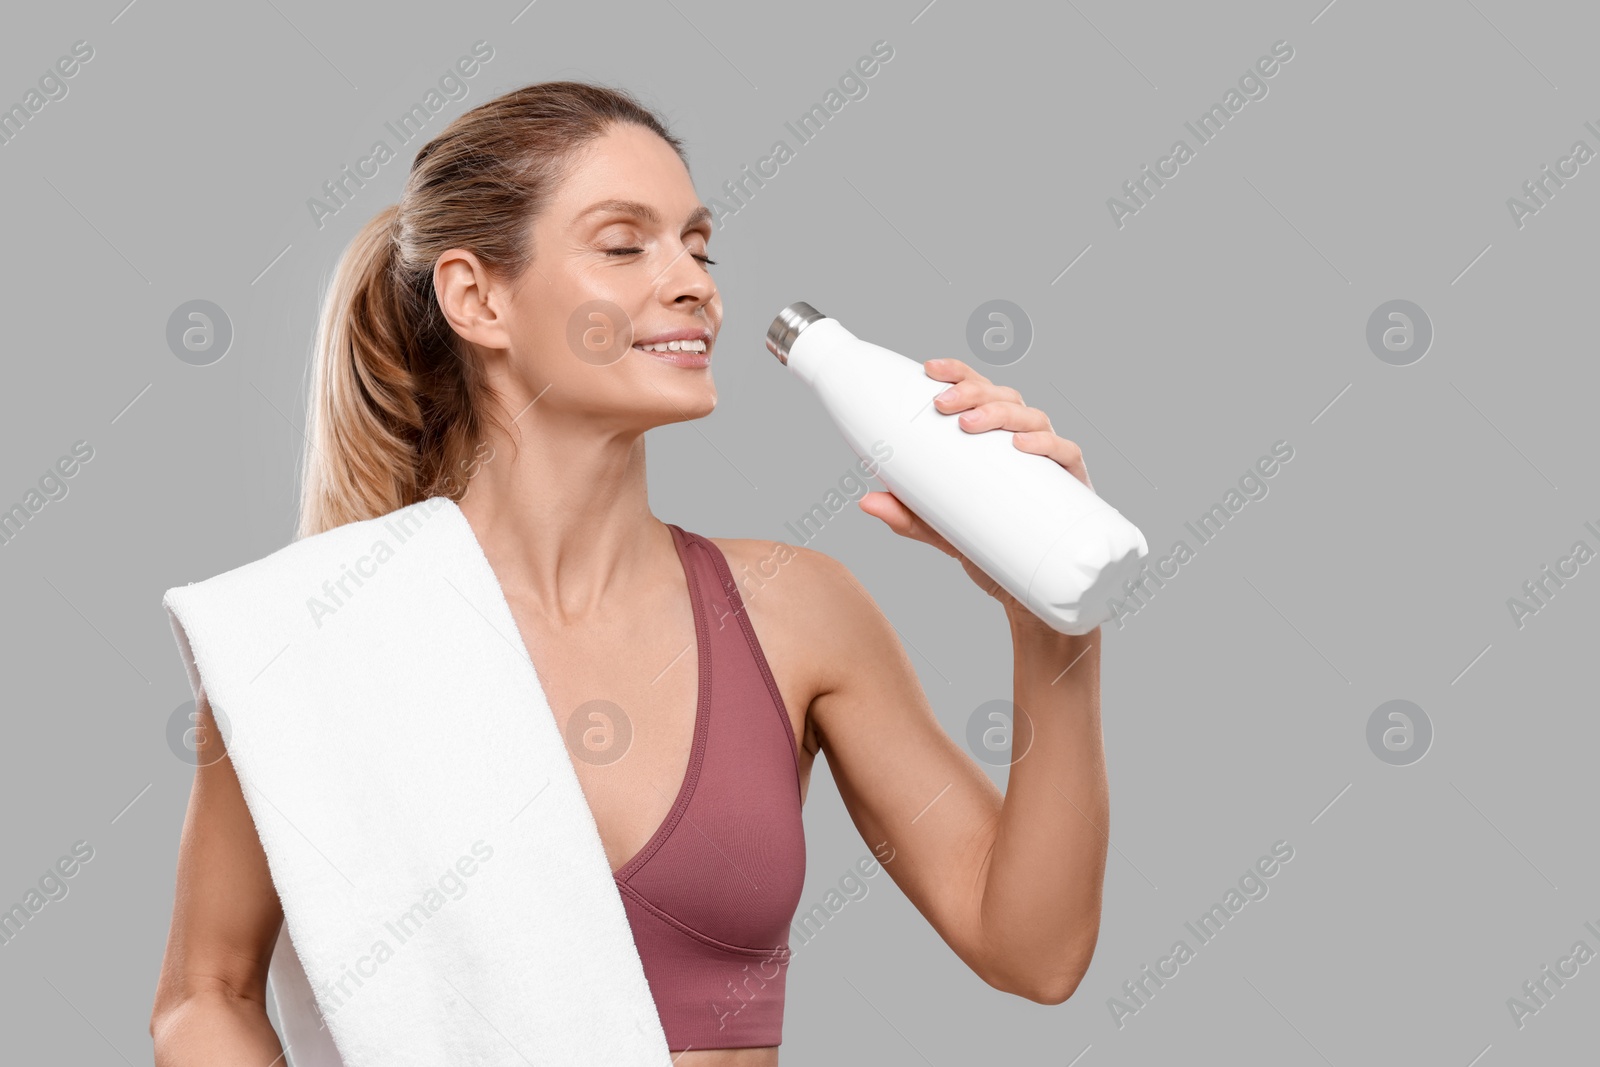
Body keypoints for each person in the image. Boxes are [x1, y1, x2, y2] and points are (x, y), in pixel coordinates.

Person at [148, 81, 1109, 1065]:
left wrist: (1051, 621)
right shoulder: (313, 634)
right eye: (624, 243)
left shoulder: (795, 611)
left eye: (698, 244)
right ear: (477, 298)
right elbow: (203, 994)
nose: (693, 281)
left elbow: (1031, 949)